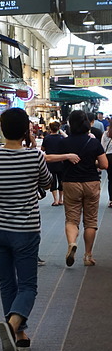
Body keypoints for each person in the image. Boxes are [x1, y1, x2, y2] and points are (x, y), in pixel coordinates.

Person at [0, 108, 52, 351]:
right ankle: (13, 324)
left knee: (7, 283)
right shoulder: (35, 157)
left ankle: (20, 335)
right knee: (28, 286)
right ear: (26, 131)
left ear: (2, 129)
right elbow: (47, 184)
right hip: (25, 230)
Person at [59, 110, 108, 267]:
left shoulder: (64, 142)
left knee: (72, 219)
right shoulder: (93, 142)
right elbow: (104, 165)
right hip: (91, 182)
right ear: (86, 122)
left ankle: (72, 243)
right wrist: (90, 162)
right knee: (90, 220)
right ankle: (88, 256)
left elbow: (50, 158)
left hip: (71, 183)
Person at [41, 121, 66, 206]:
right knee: (61, 180)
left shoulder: (47, 138)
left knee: (53, 181)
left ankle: (55, 200)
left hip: (50, 161)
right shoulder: (62, 138)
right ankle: (61, 199)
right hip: (61, 161)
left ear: (50, 129)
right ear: (59, 128)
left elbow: (43, 149)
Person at [102, 124, 112, 208]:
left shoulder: (106, 133)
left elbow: (102, 147)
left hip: (109, 157)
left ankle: (111, 200)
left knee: (111, 179)